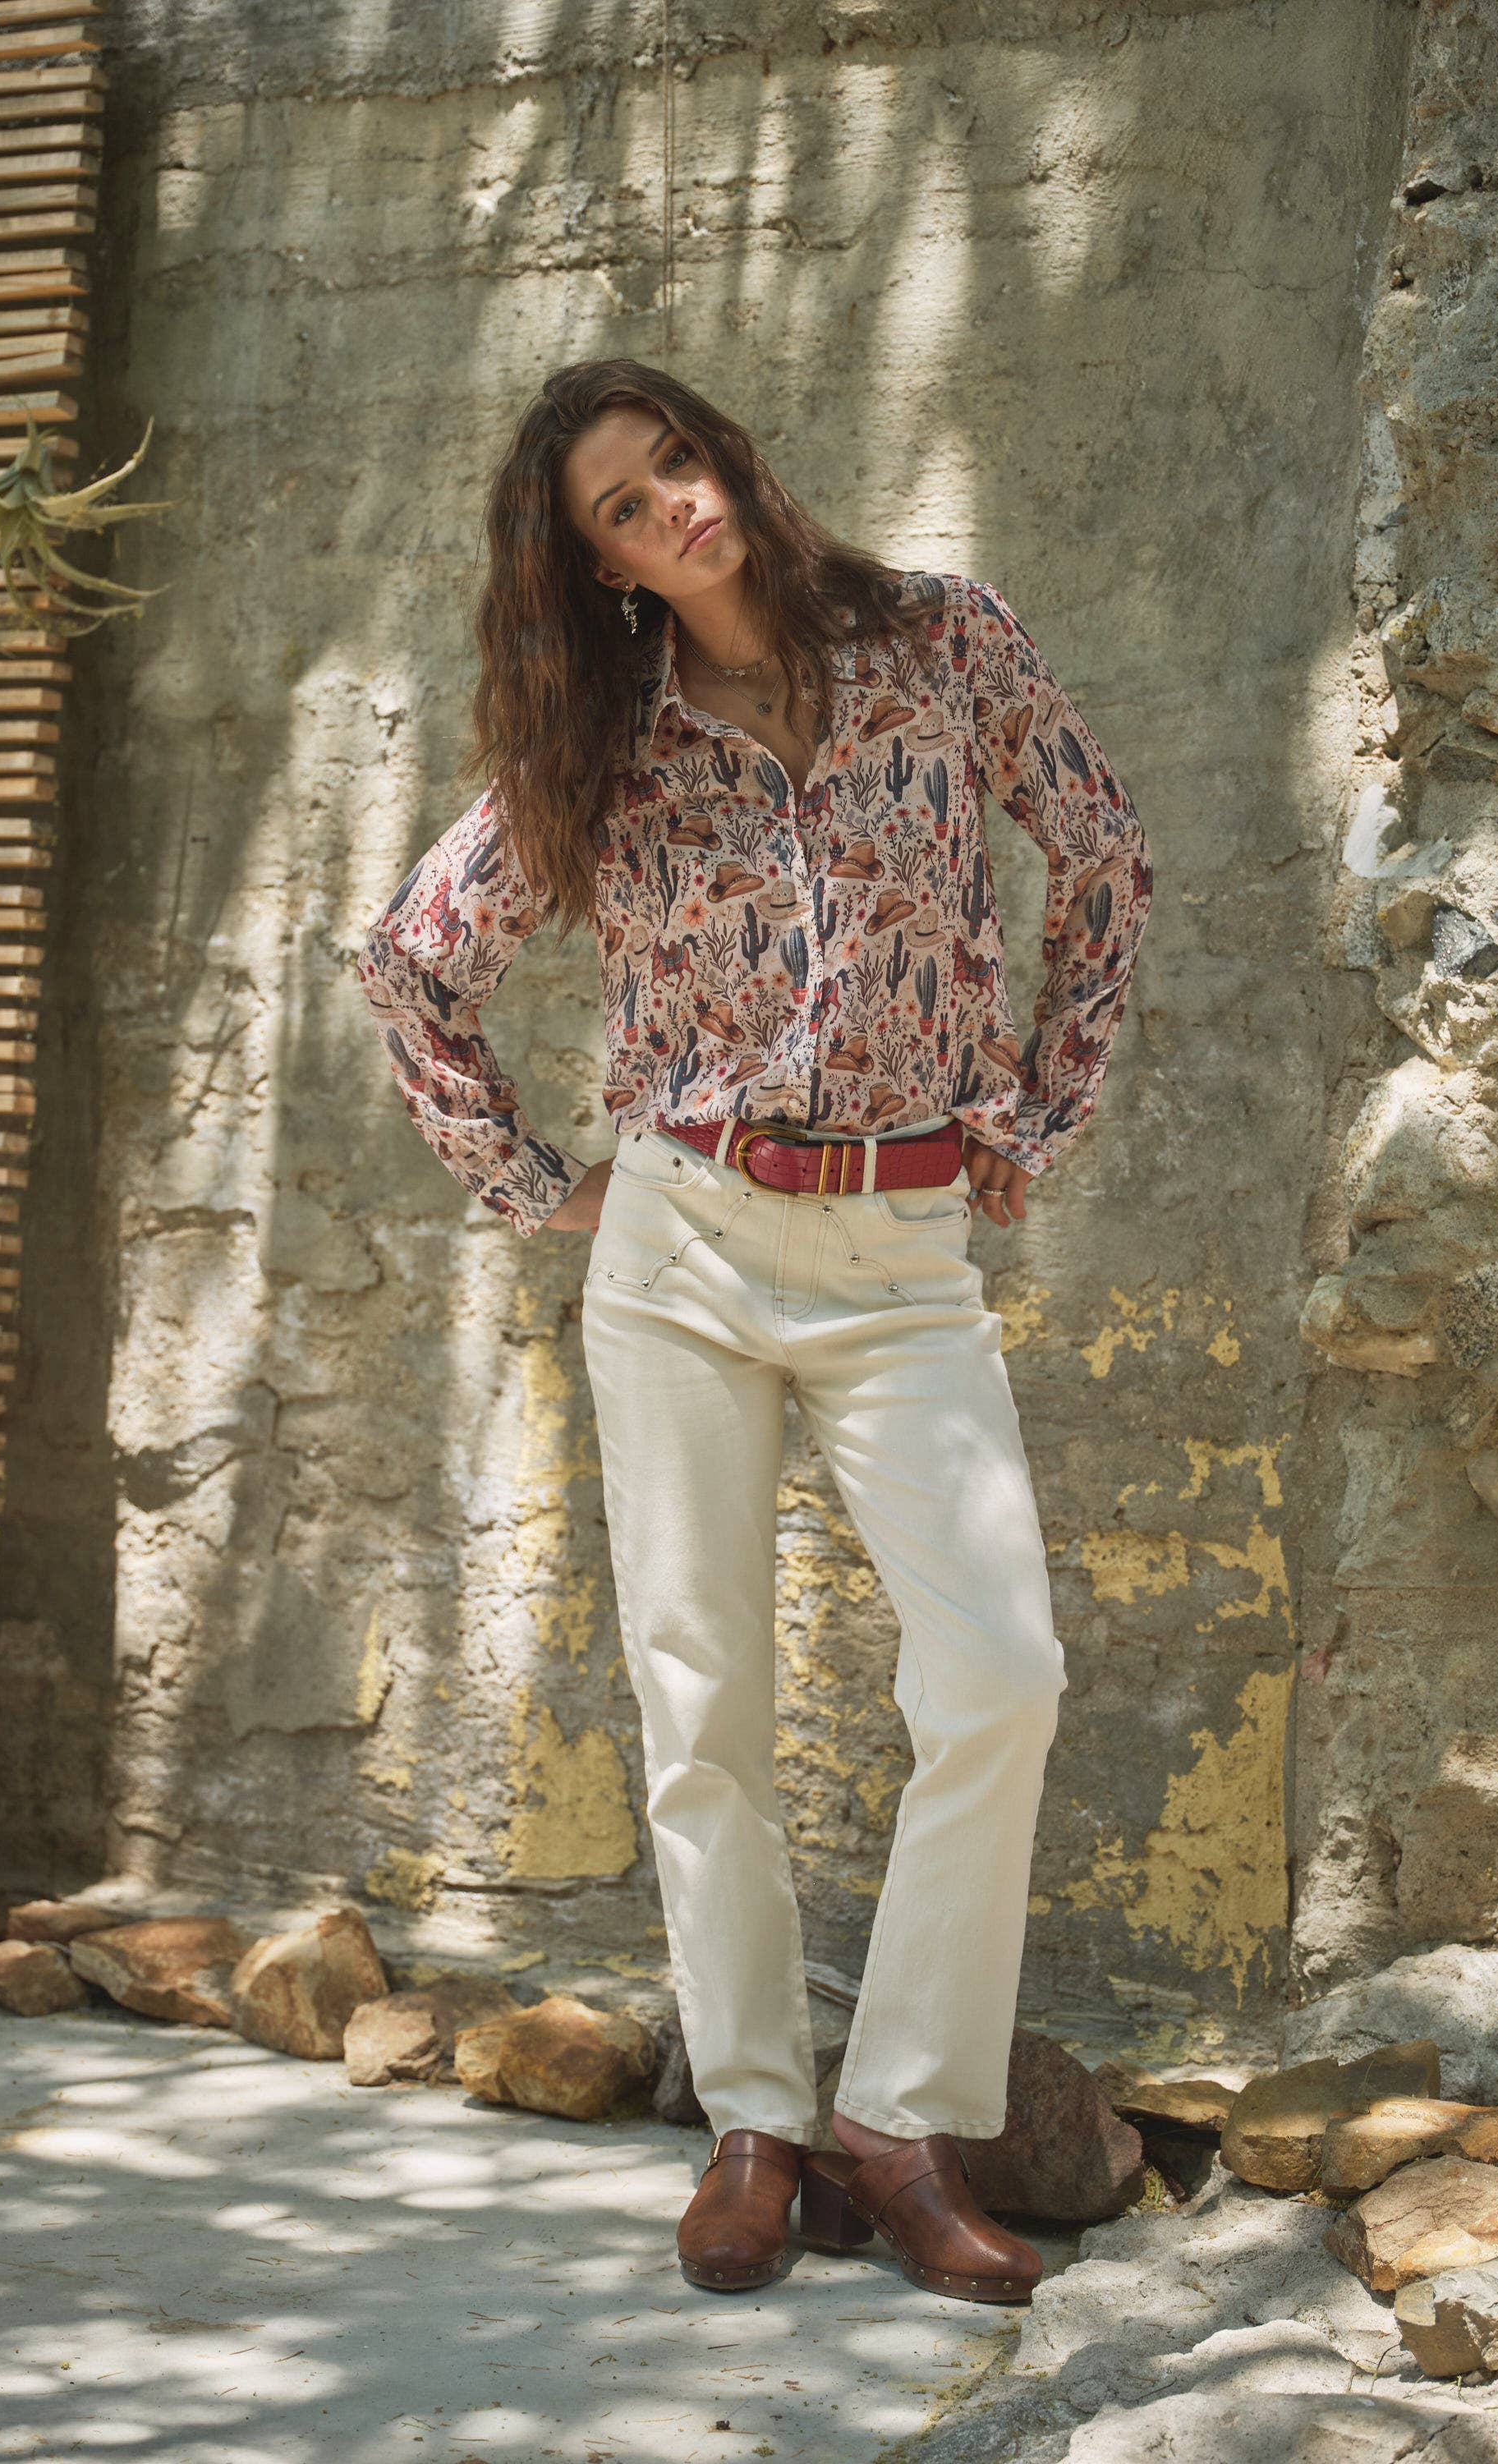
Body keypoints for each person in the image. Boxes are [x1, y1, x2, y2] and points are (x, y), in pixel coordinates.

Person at [357, 356, 1153, 2304]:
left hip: (901, 1248)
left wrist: (1036, 1119)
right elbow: (409, 960)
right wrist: (543, 1183)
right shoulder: (601, 729)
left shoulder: (946, 642)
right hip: (684, 1246)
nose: (671, 514)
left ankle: (898, 2121)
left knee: (999, 1674)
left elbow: (1108, 861)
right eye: (622, 512)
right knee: (698, 1692)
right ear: (602, 566)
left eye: (676, 467)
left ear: (727, 458)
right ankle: (753, 2122)